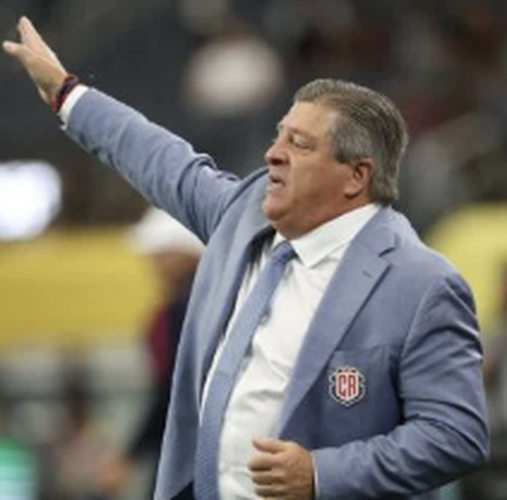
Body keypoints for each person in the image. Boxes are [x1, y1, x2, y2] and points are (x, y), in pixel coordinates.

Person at [3, 17, 489, 500]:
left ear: (355, 176)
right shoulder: (243, 216)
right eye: (279, 135)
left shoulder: (420, 282)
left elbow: (456, 436)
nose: (273, 153)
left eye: (299, 144)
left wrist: (321, 474)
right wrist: (68, 95)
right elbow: (156, 157)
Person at [100, 208, 203, 499]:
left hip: (185, 453)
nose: (154, 265)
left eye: (161, 256)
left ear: (186, 254)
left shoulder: (184, 308)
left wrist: (129, 454)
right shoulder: (200, 301)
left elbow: (172, 391)